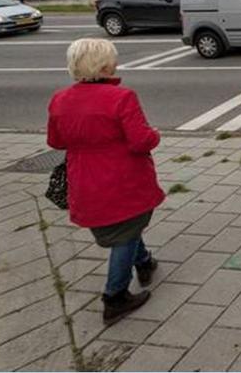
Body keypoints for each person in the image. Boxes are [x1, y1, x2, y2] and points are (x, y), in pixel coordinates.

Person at [46, 38, 163, 325]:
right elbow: (139, 141)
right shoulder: (121, 97)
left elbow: (55, 140)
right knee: (125, 232)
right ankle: (115, 296)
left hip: (84, 178)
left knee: (127, 226)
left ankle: (144, 261)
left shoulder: (59, 99)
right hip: (121, 178)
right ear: (105, 65)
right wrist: (155, 135)